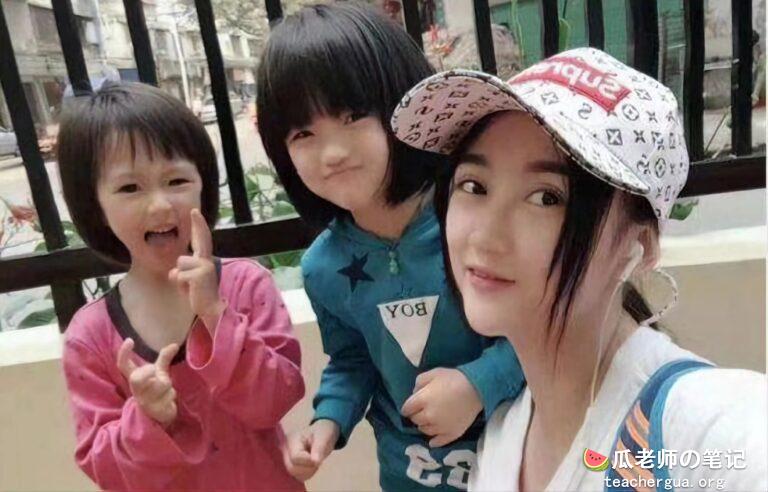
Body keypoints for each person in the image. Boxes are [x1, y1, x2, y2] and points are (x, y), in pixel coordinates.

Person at [392, 47, 767, 491]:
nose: (486, 236)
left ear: (639, 247)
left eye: (547, 198)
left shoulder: (705, 427)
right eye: (474, 186)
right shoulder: (501, 442)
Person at [256, 4, 524, 490]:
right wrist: (327, 422)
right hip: (409, 474)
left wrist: (477, 385)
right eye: (303, 133)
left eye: (353, 115)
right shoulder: (322, 268)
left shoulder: (473, 216)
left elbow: (544, 324)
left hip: (518, 458)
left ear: (405, 104)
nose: (332, 153)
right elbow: (352, 359)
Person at [57, 82, 305, 491]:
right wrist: (149, 418)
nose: (159, 205)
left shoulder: (246, 284)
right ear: (94, 205)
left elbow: (277, 400)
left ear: (203, 183)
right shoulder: (90, 336)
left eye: (176, 180)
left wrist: (216, 315)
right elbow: (106, 471)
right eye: (130, 188)